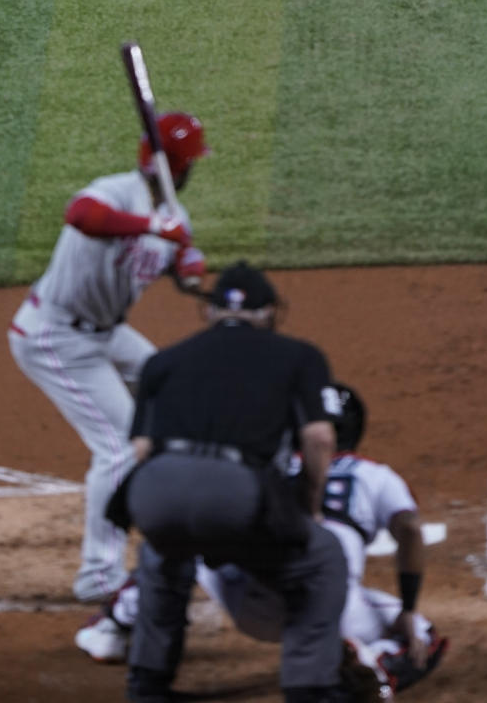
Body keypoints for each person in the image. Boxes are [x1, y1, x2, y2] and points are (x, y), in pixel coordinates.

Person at [91, 385, 448, 696]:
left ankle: (114, 624)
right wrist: (408, 608)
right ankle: (375, 664)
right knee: (421, 632)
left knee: (189, 539)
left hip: (246, 597)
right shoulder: (374, 474)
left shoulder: (264, 464)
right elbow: (410, 530)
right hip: (330, 610)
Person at [117, 260, 357, 703]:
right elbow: (320, 438)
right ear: (267, 313)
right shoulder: (300, 355)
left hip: (154, 488)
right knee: (323, 559)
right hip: (233, 490)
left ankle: (147, 686)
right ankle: (310, 689)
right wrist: (307, 506)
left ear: (210, 313)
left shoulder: (161, 361)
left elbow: (142, 450)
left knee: (160, 556)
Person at [7, 111, 210, 618]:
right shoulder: (116, 193)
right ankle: (98, 576)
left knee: (172, 391)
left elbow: (185, 266)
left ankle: (175, 513)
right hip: (55, 335)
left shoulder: (175, 217)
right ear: (180, 166)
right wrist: (150, 225)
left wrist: (187, 263)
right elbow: (80, 215)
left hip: (107, 331)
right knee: (118, 447)